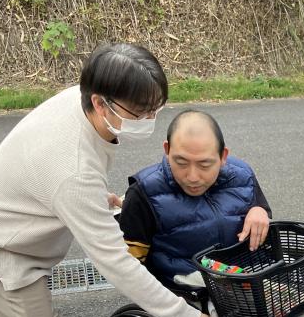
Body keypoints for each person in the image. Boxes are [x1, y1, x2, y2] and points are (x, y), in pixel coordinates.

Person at [0, 43, 227, 317]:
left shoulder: (78, 107)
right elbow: (116, 263)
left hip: (1, 231)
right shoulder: (72, 170)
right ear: (99, 101)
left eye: (154, 110)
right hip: (1, 257)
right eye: (138, 112)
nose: (147, 119)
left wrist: (93, 200)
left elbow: (49, 177)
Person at [115, 109, 271, 286]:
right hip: (187, 292)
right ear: (167, 150)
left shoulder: (242, 176)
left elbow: (264, 213)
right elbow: (130, 266)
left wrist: (259, 211)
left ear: (223, 156)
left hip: (248, 277)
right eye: (181, 163)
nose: (193, 177)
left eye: (204, 165)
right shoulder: (144, 192)